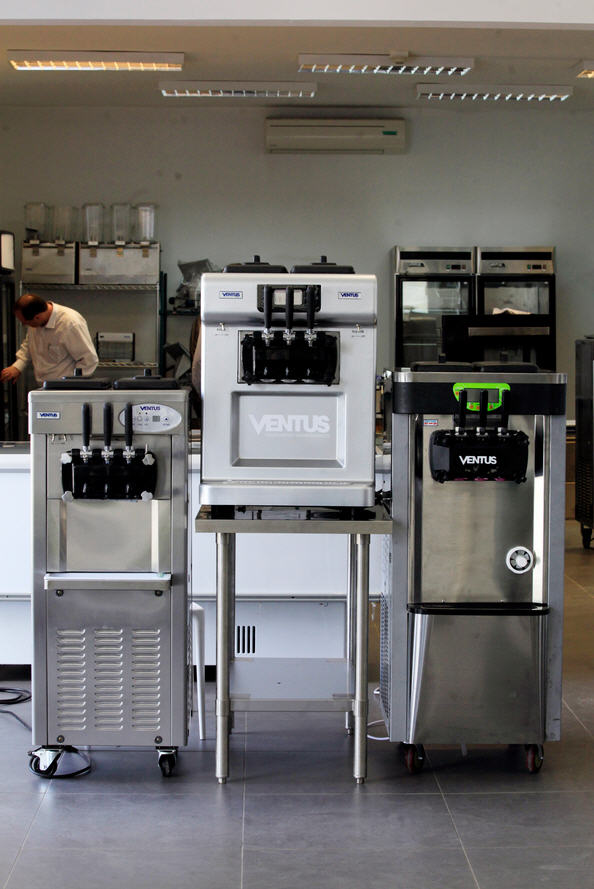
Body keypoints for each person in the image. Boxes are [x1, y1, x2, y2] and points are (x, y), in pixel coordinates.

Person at [0, 293, 98, 385]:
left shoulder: (70, 324)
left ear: (37, 317)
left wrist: (71, 386)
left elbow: (89, 360)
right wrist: (17, 367)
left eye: (26, 322)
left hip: (64, 390)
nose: (25, 325)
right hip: (44, 387)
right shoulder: (36, 321)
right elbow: (29, 345)